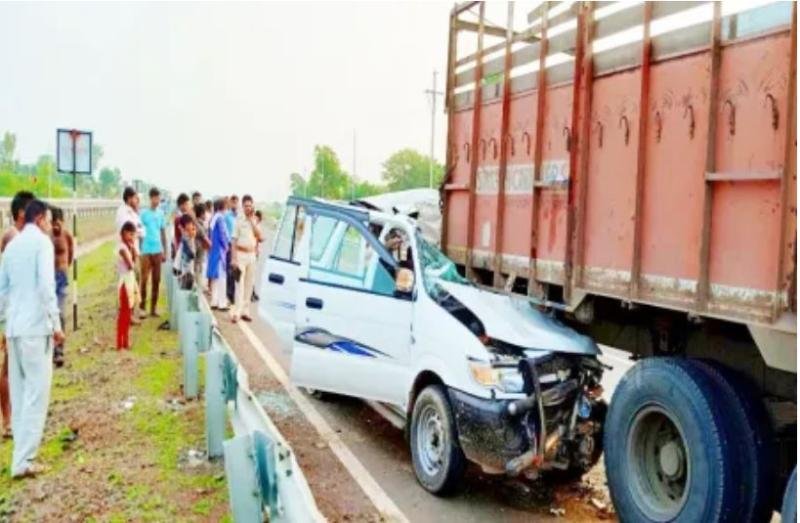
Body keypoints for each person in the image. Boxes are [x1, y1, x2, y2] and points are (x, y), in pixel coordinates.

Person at [0, 199, 64, 478]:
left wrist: (4, 326)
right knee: (37, 394)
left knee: (20, 393)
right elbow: (46, 287)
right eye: (48, 220)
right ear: (39, 219)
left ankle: (19, 458)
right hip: (36, 329)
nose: (50, 225)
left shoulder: (12, 246)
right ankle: (24, 460)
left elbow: (2, 291)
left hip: (15, 330)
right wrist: (56, 324)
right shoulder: (42, 244)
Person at [0, 190, 34, 440]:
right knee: (9, 368)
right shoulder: (14, 238)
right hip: (11, 312)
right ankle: (9, 421)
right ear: (22, 213)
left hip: (17, 310)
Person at [231, 195, 262, 323]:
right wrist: (233, 258)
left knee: (249, 284)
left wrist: (252, 221)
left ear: (252, 206)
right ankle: (237, 312)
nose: (248, 208)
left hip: (251, 255)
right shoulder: (238, 220)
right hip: (240, 254)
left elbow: (260, 236)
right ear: (242, 207)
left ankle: (245, 311)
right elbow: (233, 240)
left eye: (250, 205)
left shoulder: (255, 220)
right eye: (246, 206)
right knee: (240, 284)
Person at [49, 208, 73, 368]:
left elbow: (70, 255)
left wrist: (63, 269)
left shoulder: (67, 235)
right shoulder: (46, 237)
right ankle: (51, 349)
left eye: (58, 223)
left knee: (61, 314)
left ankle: (59, 350)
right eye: (53, 223)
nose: (56, 227)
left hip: (62, 278)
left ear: (63, 222)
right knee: (50, 315)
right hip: (49, 279)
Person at [138, 188, 167, 318]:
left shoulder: (161, 214)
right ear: (150, 198)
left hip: (157, 250)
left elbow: (163, 232)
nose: (157, 201)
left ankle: (153, 308)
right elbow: (139, 232)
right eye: (155, 198)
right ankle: (142, 307)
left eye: (158, 198)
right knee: (144, 279)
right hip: (146, 251)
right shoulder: (143, 214)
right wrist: (139, 249)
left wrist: (165, 251)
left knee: (156, 279)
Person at [117, 222, 139, 351]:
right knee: (124, 314)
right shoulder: (122, 248)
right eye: (130, 234)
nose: (132, 237)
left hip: (129, 281)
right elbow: (131, 265)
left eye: (133, 235)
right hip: (124, 283)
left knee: (127, 313)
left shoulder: (128, 247)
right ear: (124, 234)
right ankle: (121, 343)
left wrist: (133, 247)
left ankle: (125, 341)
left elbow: (135, 260)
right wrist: (132, 249)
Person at [207, 199, 230, 310]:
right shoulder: (220, 218)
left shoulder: (213, 217)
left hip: (213, 250)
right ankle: (222, 303)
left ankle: (214, 301)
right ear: (222, 207)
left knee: (215, 278)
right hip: (220, 251)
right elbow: (222, 234)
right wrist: (226, 246)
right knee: (221, 277)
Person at [174, 214, 198, 290]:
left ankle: (187, 286)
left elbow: (193, 233)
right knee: (187, 274)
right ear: (185, 225)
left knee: (189, 273)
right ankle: (186, 287)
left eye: (191, 223)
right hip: (186, 258)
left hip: (188, 258)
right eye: (189, 224)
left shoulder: (188, 233)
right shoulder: (185, 235)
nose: (191, 226)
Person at [193, 203, 211, 292]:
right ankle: (197, 288)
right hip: (198, 250)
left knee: (198, 267)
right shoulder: (197, 224)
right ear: (202, 214)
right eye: (205, 213)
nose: (206, 216)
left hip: (199, 250)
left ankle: (197, 286)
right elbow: (203, 236)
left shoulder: (198, 223)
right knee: (197, 268)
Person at [224, 195, 238, 304]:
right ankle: (229, 294)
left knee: (236, 271)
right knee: (229, 270)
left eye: (236, 202)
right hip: (229, 245)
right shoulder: (226, 216)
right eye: (233, 202)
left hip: (238, 246)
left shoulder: (240, 217)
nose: (234, 204)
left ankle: (233, 294)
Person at [172, 193, 191, 259]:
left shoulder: (185, 216)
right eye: (187, 204)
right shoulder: (179, 218)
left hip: (184, 246)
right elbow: (178, 235)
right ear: (181, 205)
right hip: (182, 247)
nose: (188, 206)